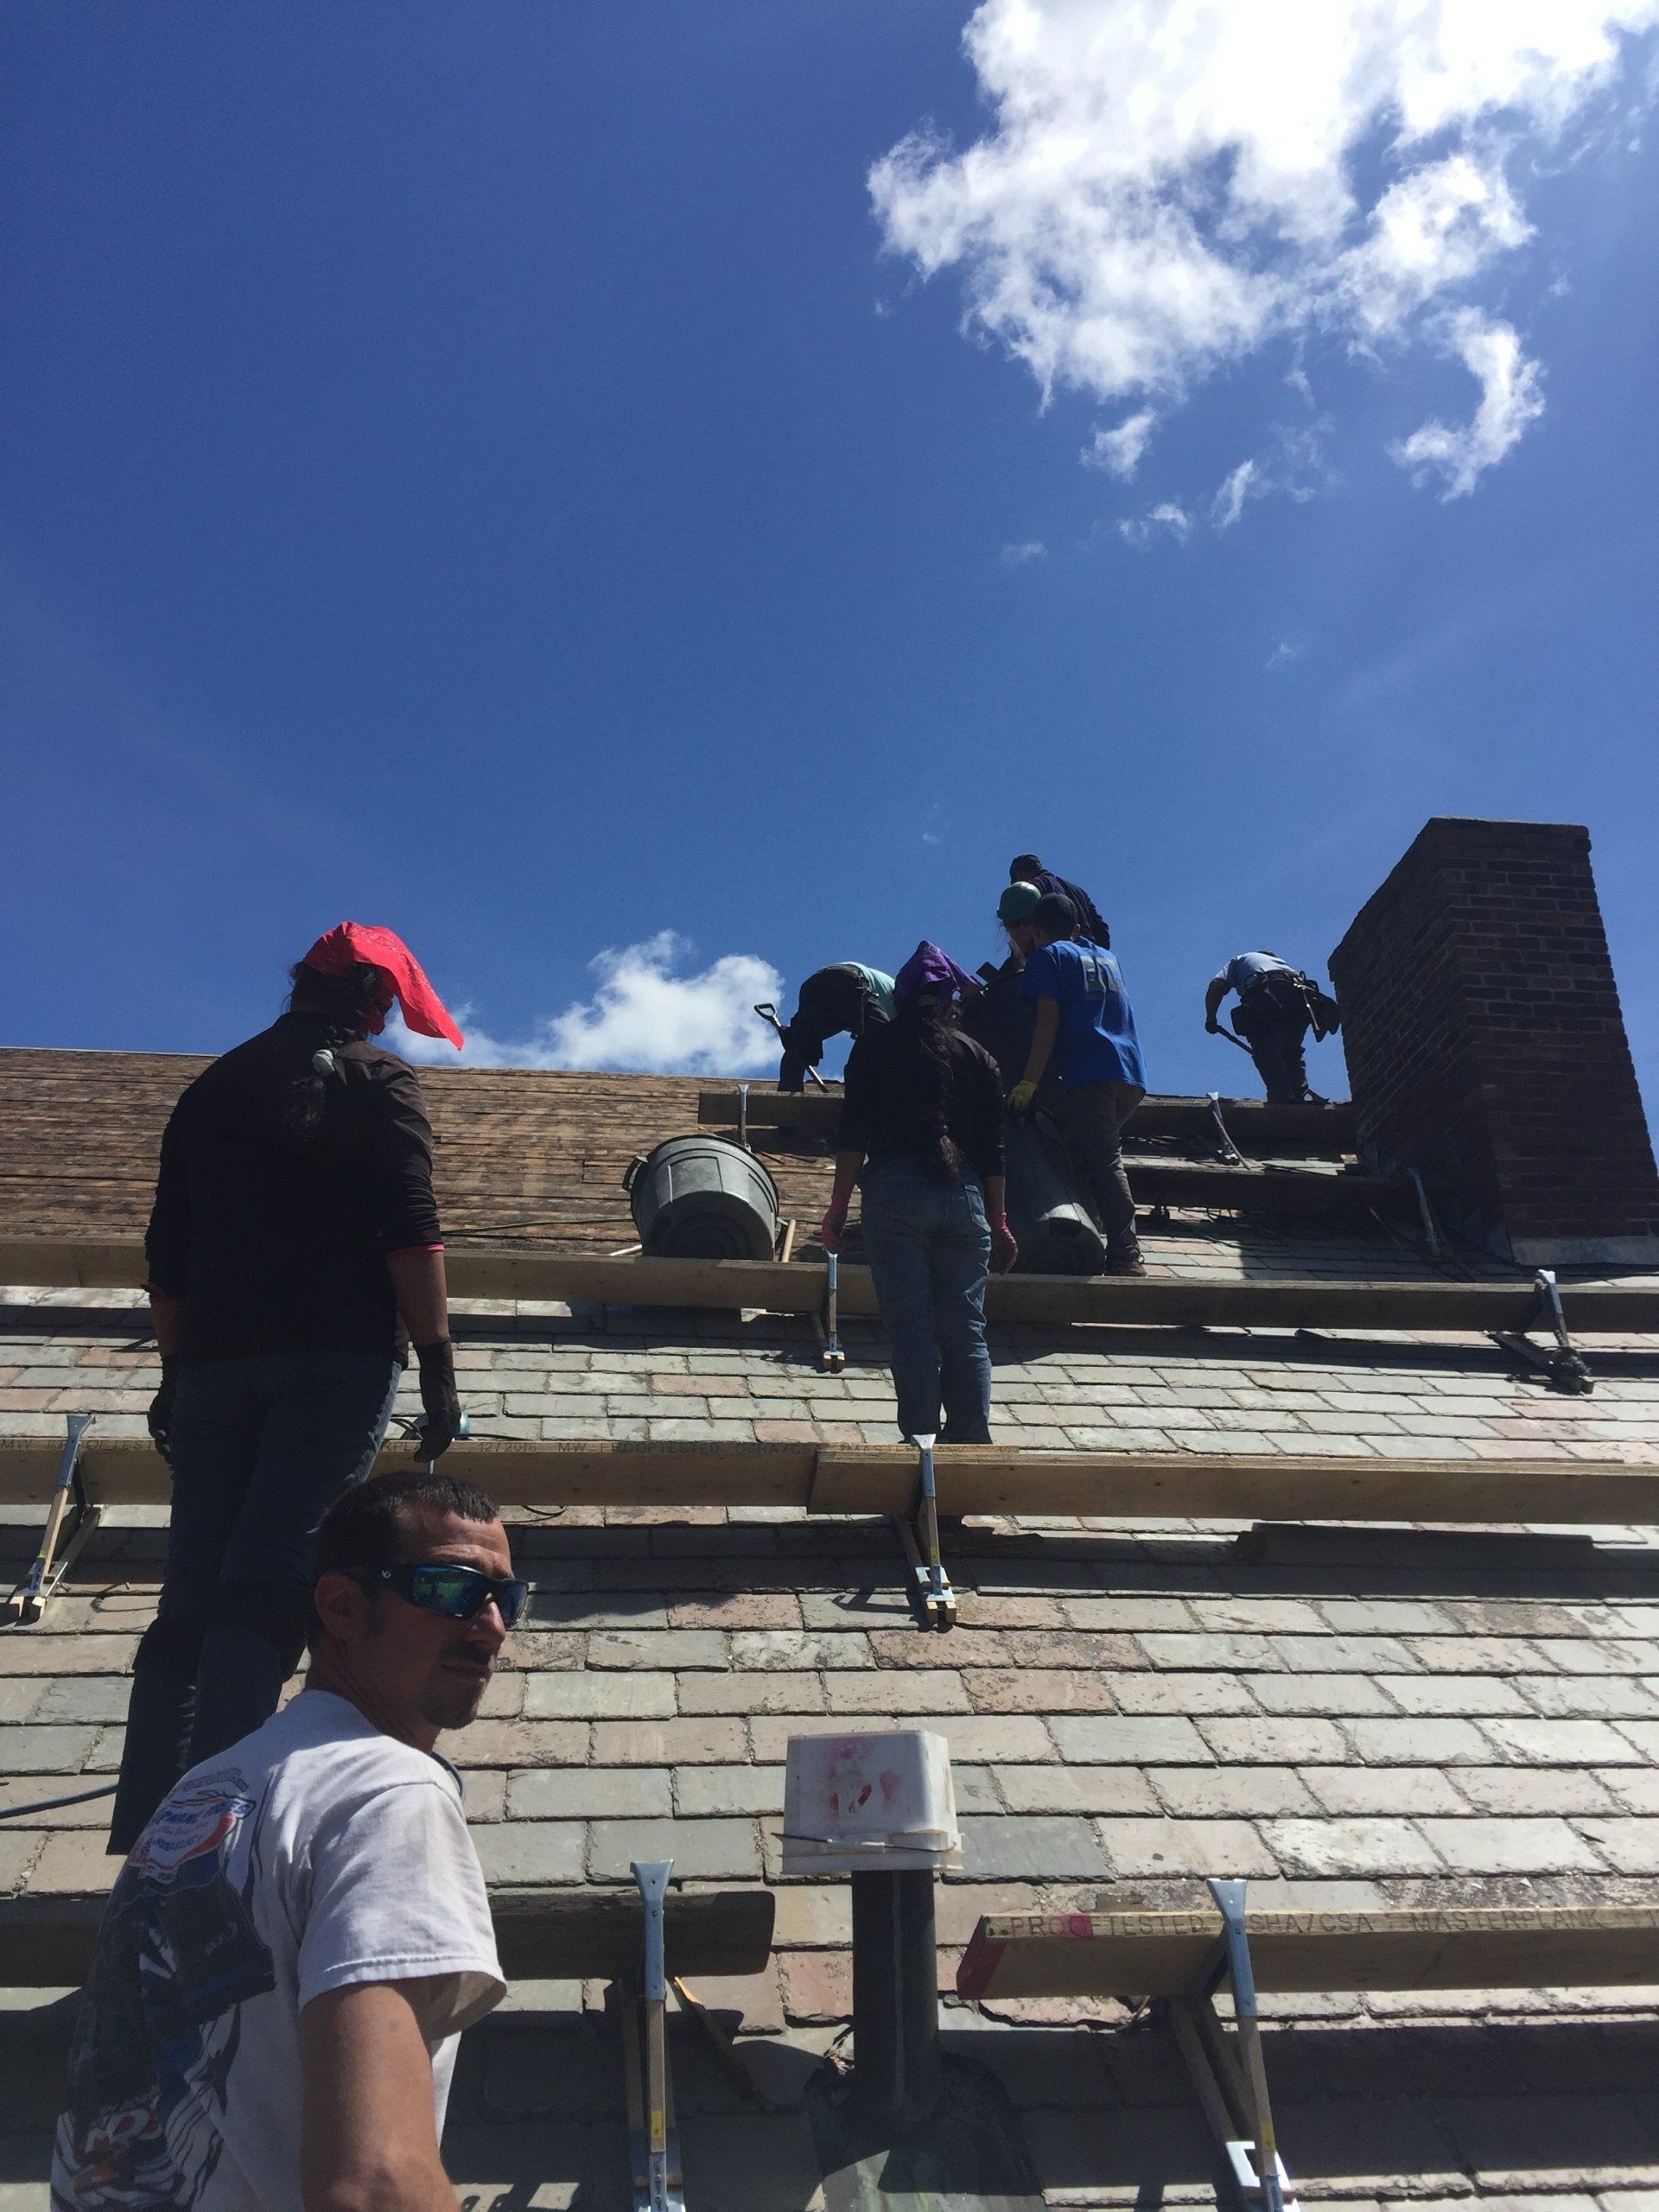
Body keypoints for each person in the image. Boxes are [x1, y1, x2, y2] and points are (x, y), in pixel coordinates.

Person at [55, 1471, 520, 2212]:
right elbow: (375, 2186)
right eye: (450, 1589)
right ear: (341, 1606)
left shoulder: (206, 1788)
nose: (492, 1625)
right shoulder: (389, 1791)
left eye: (508, 1598)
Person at [109, 922, 467, 1857]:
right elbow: (412, 1238)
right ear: (373, 1003)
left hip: (213, 1370)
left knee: (188, 1600)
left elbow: (168, 1256)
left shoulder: (213, 1089)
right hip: (333, 1363)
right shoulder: (376, 1082)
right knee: (266, 1590)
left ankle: (152, 1840)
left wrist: (174, 1371)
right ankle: (215, 1844)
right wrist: (436, 1362)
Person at [821, 943, 1016, 1444]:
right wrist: (999, 1221)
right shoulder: (980, 1058)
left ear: (900, 999)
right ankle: (971, 1444)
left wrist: (838, 1208)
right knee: (964, 1329)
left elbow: (853, 1136)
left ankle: (922, 1450)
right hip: (966, 1199)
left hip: (894, 1194)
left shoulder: (873, 1048)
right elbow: (994, 1151)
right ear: (951, 1002)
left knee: (911, 1329)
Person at [1009, 894, 1147, 1275]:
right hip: (1130, 1074)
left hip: (1090, 1073)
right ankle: (1089, 1238)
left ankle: (1126, 1256)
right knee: (1082, 1157)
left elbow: (1047, 1021)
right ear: (1075, 928)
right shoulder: (1107, 958)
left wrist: (1028, 1082)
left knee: (1103, 1161)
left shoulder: (1048, 955)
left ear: (1036, 931)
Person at [1205, 951, 1335, 1104]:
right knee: (1291, 1050)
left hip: (1268, 994)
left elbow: (1217, 985)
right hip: (1301, 998)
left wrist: (1211, 1018)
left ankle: (1283, 1097)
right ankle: (1297, 1095)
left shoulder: (1239, 960)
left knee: (1266, 1048)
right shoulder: (1278, 962)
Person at [775, 963, 896, 1090]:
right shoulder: (902, 1008)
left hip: (814, 985)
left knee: (801, 1044)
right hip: (847, 979)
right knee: (884, 1042)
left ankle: (789, 1097)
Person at [1007, 853, 1110, 950]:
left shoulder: (1033, 888)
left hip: (1061, 960)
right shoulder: (1078, 891)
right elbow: (1103, 934)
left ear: (1018, 876)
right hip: (1091, 959)